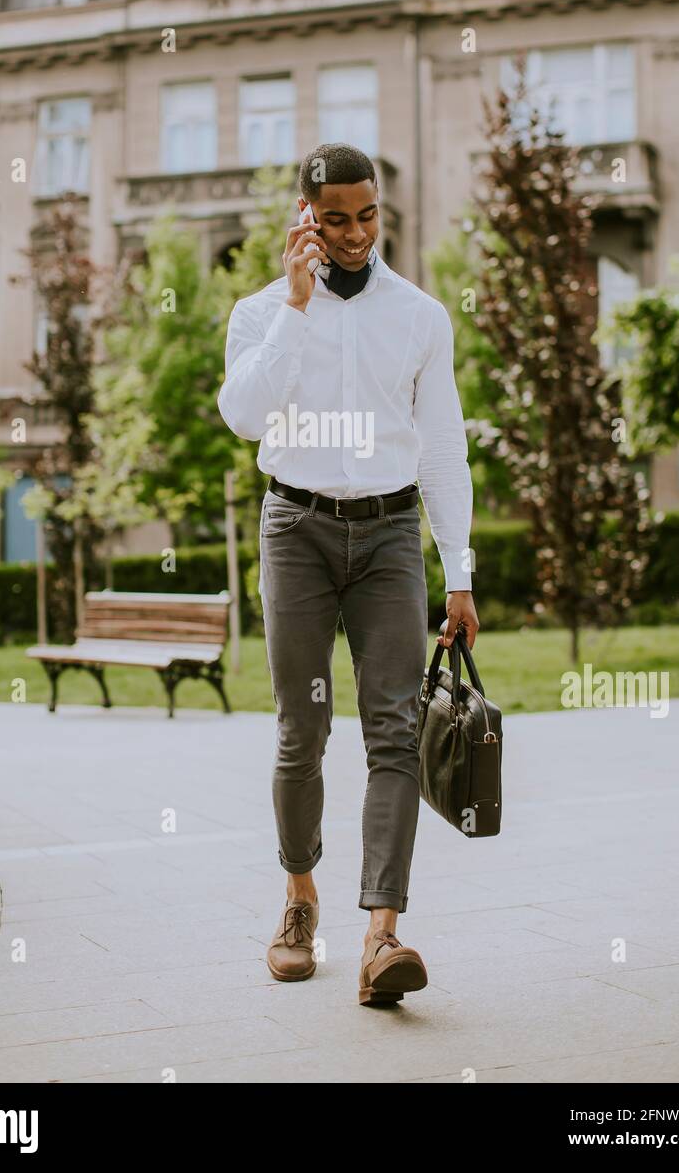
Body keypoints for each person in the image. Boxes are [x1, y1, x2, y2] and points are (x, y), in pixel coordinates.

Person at [217, 142, 478, 1006]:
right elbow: (245, 419)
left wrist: (461, 574)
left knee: (395, 732)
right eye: (336, 219)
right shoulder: (259, 313)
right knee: (302, 730)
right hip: (296, 527)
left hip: (392, 532)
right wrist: (296, 306)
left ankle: (381, 934)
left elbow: (442, 447)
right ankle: (299, 903)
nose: (356, 233)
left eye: (368, 216)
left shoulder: (419, 315)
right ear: (306, 218)